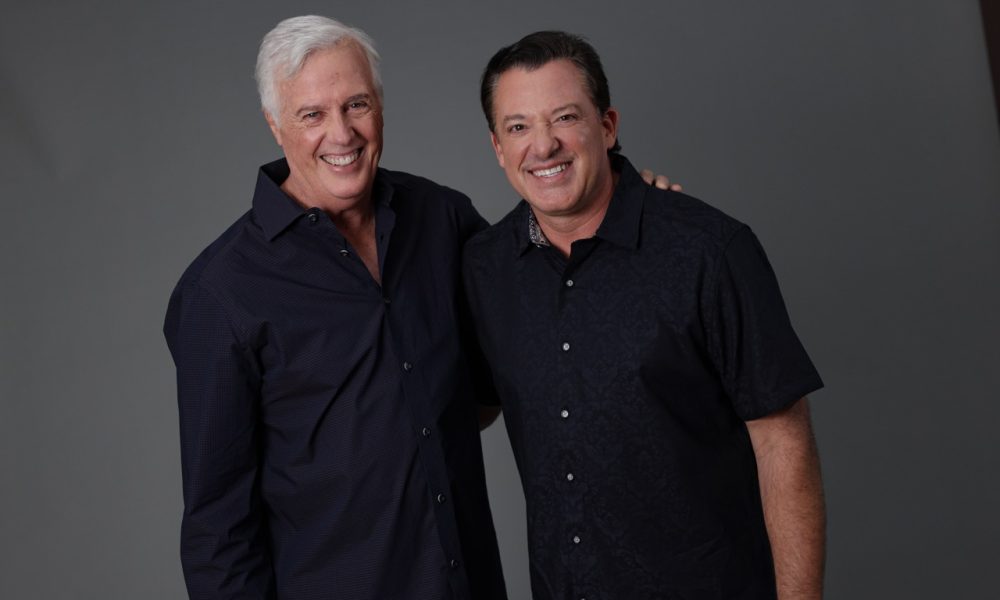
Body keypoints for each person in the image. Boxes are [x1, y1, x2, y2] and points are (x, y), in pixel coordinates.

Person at [463, 31, 826, 599]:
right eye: (518, 127)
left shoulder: (707, 250)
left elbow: (784, 443)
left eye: (564, 118)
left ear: (606, 126)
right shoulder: (485, 269)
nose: (543, 146)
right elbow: (476, 403)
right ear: (497, 147)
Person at [162, 16, 508, 599]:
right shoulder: (220, 292)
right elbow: (216, 529)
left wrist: (618, 200)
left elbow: (541, 297)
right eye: (312, 115)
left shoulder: (441, 218)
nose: (342, 133)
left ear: (379, 106)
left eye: (356, 104)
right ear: (275, 126)